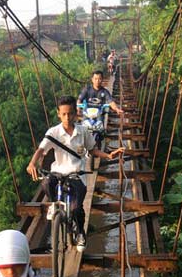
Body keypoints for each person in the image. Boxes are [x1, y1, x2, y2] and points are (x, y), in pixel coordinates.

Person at [26, 96, 124, 251]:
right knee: (46, 183)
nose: (67, 117)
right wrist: (32, 163)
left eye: (70, 113)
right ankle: (54, 204)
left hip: (77, 174)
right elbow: (41, 149)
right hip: (58, 172)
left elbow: (92, 150)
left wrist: (108, 155)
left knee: (77, 208)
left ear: (76, 113)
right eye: (64, 114)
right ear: (58, 114)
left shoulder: (83, 131)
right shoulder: (53, 132)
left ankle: (80, 233)